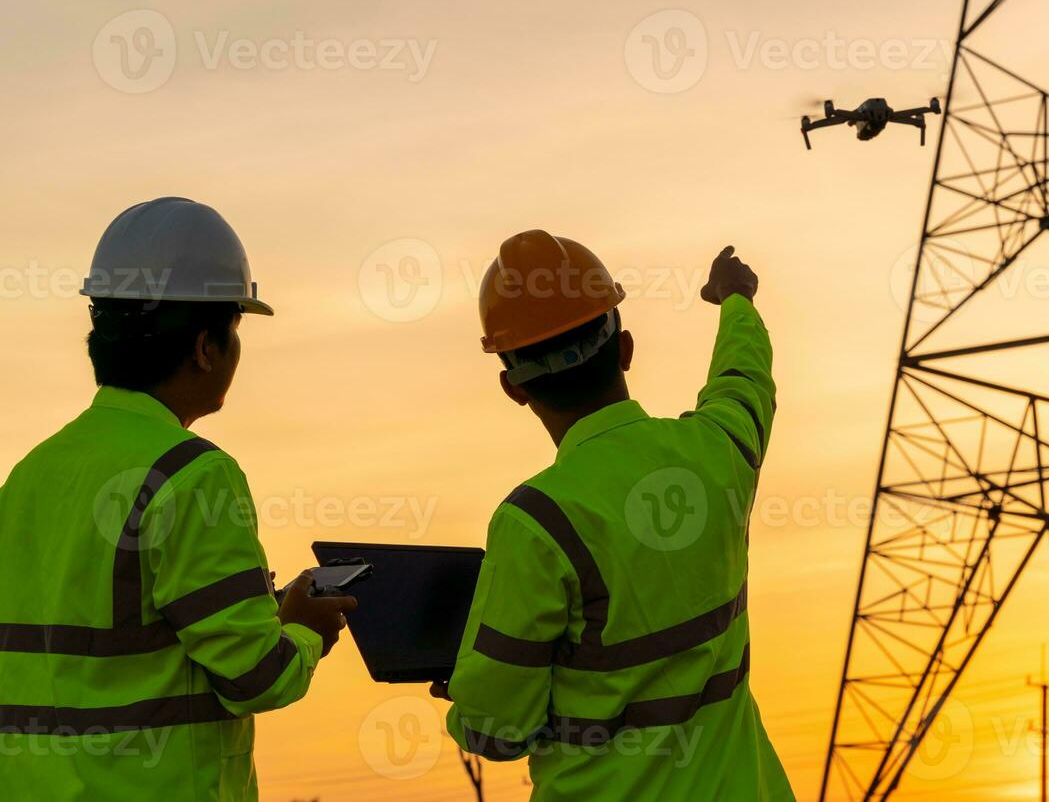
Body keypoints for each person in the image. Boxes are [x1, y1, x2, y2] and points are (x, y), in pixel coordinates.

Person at [0, 197, 356, 801]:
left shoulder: (30, 474)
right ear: (204, 347)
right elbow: (255, 678)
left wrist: (250, 609)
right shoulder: (192, 476)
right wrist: (304, 630)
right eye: (235, 330)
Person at [438, 231, 794, 800]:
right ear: (624, 348)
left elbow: (494, 731)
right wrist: (737, 300)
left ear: (514, 388)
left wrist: (469, 690)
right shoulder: (718, 454)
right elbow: (744, 381)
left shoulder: (537, 521)